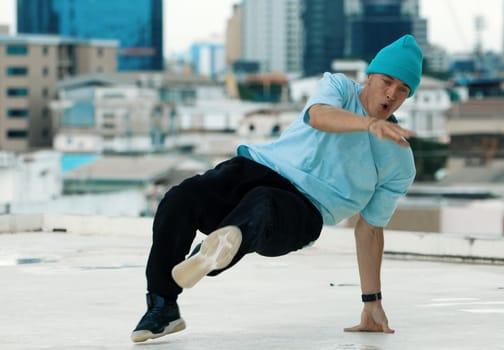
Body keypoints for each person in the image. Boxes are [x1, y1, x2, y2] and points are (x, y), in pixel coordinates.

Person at [131, 34, 423, 343]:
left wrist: (372, 301)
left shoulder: (399, 161)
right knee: (181, 198)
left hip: (305, 211)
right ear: (369, 77)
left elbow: (370, 230)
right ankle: (163, 306)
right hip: (256, 170)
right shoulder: (338, 86)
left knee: (264, 204)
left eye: (403, 89)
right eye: (386, 81)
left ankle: (219, 247)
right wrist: (367, 124)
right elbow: (318, 116)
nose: (391, 94)